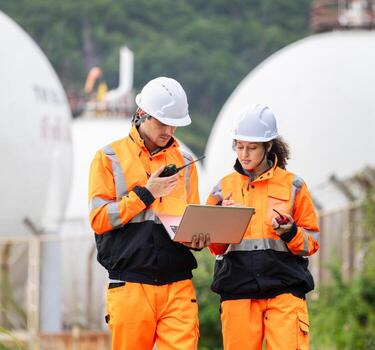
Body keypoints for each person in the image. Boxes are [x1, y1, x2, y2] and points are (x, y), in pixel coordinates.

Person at [88, 77, 209, 350]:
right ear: (142, 114)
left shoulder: (187, 163)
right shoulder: (108, 158)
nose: (169, 130)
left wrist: (198, 239)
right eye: (162, 122)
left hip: (178, 285)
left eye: (174, 123)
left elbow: (189, 220)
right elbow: (99, 219)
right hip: (130, 284)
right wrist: (146, 193)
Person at [206, 104, 320, 350]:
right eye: (239, 146)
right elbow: (215, 248)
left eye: (252, 147)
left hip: (284, 290)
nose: (244, 154)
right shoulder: (222, 189)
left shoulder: (294, 186)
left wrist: (290, 232)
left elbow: (311, 243)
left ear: (268, 146)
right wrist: (222, 221)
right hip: (237, 291)